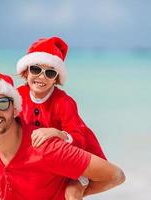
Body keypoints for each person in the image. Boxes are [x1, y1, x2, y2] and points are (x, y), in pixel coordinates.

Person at [0, 67, 125, 200]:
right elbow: (1, 186)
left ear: (15, 109)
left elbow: (115, 175)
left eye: (2, 103)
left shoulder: (46, 148)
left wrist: (70, 194)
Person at [16, 37, 107, 198]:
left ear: (56, 78)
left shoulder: (63, 102)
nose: (41, 77)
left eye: (50, 72)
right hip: (48, 162)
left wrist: (56, 132)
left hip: (77, 155)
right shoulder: (18, 96)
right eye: (36, 70)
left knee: (71, 194)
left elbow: (79, 139)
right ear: (26, 70)